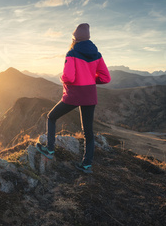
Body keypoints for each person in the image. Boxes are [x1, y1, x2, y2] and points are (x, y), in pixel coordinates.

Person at [36, 23, 111, 173]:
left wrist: (62, 78)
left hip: (74, 95)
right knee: (88, 132)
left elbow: (69, 77)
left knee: (51, 117)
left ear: (75, 38)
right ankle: (86, 165)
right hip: (89, 95)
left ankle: (50, 150)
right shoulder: (97, 54)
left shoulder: (72, 53)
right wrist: (90, 79)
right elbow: (106, 78)